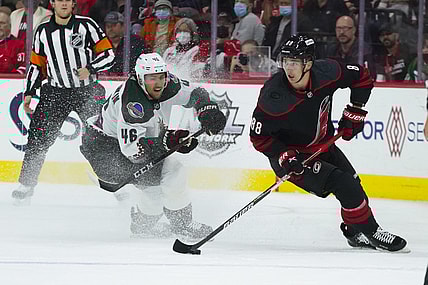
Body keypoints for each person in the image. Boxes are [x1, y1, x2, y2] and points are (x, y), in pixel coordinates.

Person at [249, 34, 407, 252]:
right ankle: (373, 232)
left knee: (354, 184)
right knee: (344, 184)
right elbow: (259, 137)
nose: (289, 69)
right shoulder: (274, 95)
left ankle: (355, 232)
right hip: (293, 158)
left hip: (324, 145)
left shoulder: (327, 72)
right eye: (286, 61)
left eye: (295, 62)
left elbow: (362, 76)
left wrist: (356, 110)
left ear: (309, 63)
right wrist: (285, 155)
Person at [80, 52, 226, 238]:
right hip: (105, 151)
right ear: (140, 79)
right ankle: (182, 225)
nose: (157, 83)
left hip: (114, 144)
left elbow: (196, 93)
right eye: (151, 79)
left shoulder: (168, 83)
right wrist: (168, 142)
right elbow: (134, 152)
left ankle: (142, 226)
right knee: (172, 171)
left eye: (160, 77)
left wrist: (206, 109)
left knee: (156, 187)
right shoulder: (134, 104)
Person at [11, 0, 115, 204]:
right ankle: (26, 184)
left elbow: (108, 54)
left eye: (68, 0)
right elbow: (36, 64)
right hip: (55, 93)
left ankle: (115, 180)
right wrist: (30, 91)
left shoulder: (87, 25)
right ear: (53, 3)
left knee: (102, 138)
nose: (64, 3)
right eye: (60, 0)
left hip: (87, 91)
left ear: (74, 3)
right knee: (38, 139)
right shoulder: (42, 31)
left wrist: (91, 68)